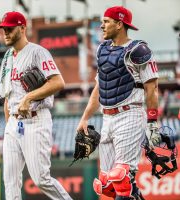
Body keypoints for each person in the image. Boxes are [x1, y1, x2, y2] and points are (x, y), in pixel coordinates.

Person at [76, 6, 160, 200]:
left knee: (122, 180)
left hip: (129, 114)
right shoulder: (102, 49)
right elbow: (99, 88)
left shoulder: (139, 50)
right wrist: (84, 118)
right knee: (106, 185)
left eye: (106, 21)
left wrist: (153, 122)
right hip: (107, 118)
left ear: (119, 24)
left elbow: (152, 87)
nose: (102, 26)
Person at [0, 11, 72, 200]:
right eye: (3, 29)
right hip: (14, 124)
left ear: (22, 28)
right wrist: (9, 125)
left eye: (10, 29)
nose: (5, 32)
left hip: (35, 120)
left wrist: (29, 97)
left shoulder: (38, 52)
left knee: (41, 179)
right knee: (10, 181)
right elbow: (7, 96)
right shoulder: (7, 57)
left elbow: (58, 82)